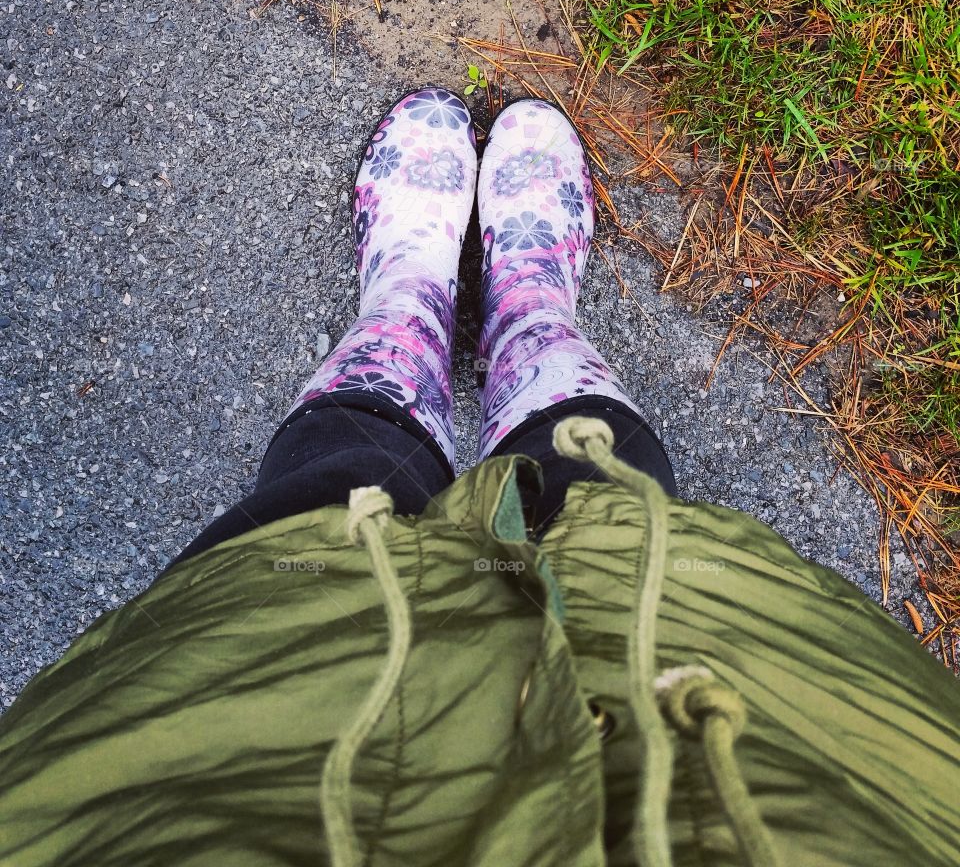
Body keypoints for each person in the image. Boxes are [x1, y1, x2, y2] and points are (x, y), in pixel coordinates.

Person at [0, 90, 957, 867]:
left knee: (336, 518)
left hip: (240, 771)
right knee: (610, 511)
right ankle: (525, 308)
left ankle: (414, 300)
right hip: (779, 775)